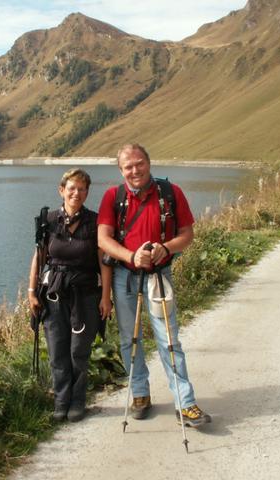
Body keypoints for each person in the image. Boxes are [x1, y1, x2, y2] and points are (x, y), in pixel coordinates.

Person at [97, 143, 211, 427]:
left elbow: (187, 234)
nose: (135, 170)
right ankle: (140, 393)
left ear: (149, 163)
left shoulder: (171, 193)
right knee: (129, 339)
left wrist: (167, 247)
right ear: (121, 170)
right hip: (125, 277)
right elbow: (103, 239)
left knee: (169, 339)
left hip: (159, 276)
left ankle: (185, 402)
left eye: (139, 164)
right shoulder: (113, 197)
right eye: (128, 167)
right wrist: (131, 256)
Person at [28, 168, 112, 422]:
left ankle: (77, 401)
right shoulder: (49, 220)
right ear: (61, 190)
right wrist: (32, 292)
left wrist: (105, 297)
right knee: (57, 350)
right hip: (53, 294)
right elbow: (39, 257)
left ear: (87, 193)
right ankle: (61, 401)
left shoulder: (95, 222)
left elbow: (104, 263)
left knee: (79, 350)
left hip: (85, 295)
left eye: (82, 189)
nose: (77, 193)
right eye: (72, 188)